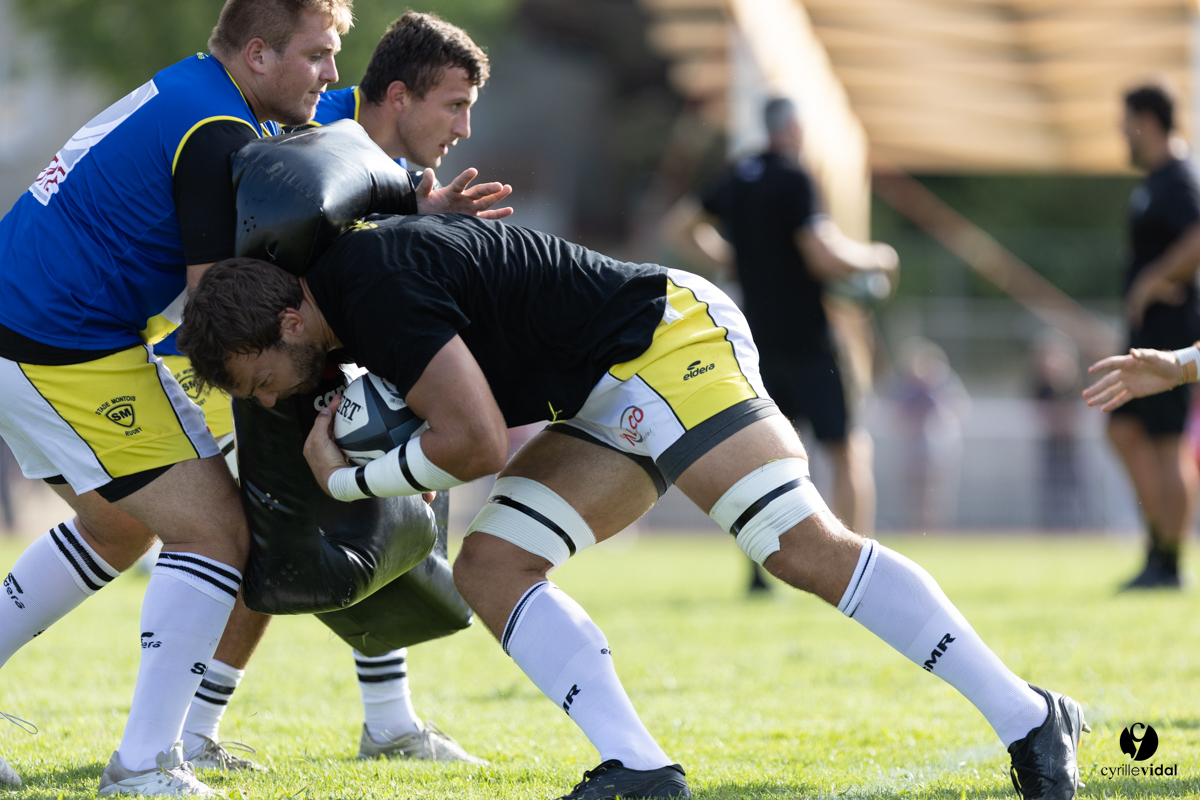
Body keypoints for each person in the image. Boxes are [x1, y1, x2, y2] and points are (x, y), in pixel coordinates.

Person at [177, 212, 1087, 800]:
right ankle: (642, 770)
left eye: (261, 382)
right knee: (494, 569)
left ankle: (1028, 717)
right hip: (598, 388)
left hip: (663, 336)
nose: (268, 402)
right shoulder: (347, 292)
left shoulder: (369, 289)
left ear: (292, 321)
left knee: (799, 545)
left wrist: (348, 479)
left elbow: (481, 445)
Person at [0, 0, 508, 793]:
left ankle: (311, 727)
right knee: (216, 534)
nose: (334, 73)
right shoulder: (217, 133)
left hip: (47, 326)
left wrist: (409, 208)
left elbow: (342, 151)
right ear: (260, 55)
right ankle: (144, 764)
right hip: (57, 339)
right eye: (318, 54)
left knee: (118, 531)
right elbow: (222, 315)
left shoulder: (231, 103)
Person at [156, 11, 495, 769]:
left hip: (323, 360)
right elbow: (280, 244)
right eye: (454, 105)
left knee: (371, 518)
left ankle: (388, 721)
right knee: (276, 541)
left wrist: (420, 212)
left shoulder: (388, 168)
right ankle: (193, 730)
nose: (465, 128)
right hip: (272, 359)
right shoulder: (325, 138)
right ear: (400, 97)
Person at [666, 97, 896, 540]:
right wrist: (877, 258)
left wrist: (733, 259)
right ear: (793, 128)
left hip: (756, 343)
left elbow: (678, 228)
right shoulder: (795, 177)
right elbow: (822, 255)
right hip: (808, 339)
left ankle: (759, 569)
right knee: (846, 449)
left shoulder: (736, 175)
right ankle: (859, 559)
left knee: (770, 461)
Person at [1104, 82, 1200, 589]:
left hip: (1171, 333)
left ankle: (1171, 561)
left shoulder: (1179, 177)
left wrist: (1155, 278)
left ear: (1146, 119)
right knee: (1122, 430)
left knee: (1167, 443)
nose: (1120, 130)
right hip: (1146, 333)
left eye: (1125, 120)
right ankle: (1158, 546)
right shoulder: (1155, 180)